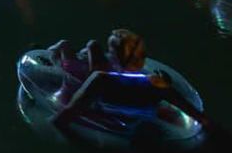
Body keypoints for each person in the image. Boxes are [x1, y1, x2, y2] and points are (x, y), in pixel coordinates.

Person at [51, 29, 210, 132]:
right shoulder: (156, 83)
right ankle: (63, 53)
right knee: (91, 47)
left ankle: (54, 55)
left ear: (114, 56)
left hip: (111, 110)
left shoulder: (100, 79)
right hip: (133, 109)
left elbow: (65, 115)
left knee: (81, 46)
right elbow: (198, 116)